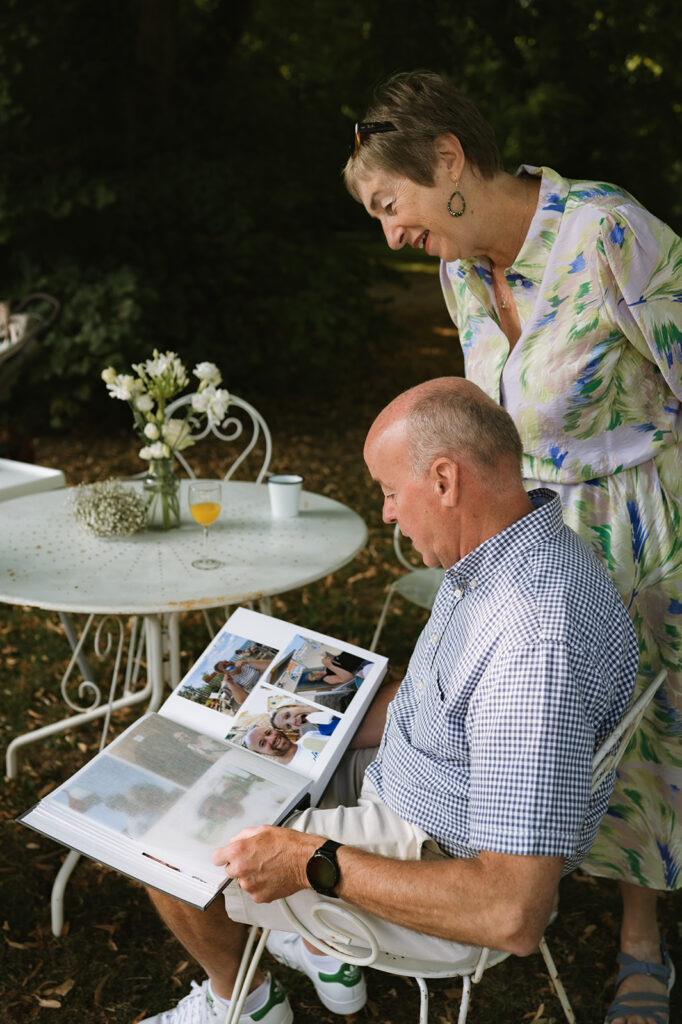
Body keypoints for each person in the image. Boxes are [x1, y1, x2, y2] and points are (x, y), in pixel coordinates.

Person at [137, 378, 638, 1024]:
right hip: (407, 781)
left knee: (162, 837)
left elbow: (511, 913)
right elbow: (453, 704)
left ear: (444, 481)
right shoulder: (513, 554)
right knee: (192, 761)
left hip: (433, 854)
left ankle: (246, 1001)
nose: (388, 514)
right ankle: (312, 941)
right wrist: (272, 714)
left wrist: (308, 863)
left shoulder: (532, 643)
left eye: (389, 492)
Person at [345, 70, 682, 1024]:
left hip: (646, 522)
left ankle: (639, 942)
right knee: (523, 708)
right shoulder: (459, 271)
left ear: (448, 161)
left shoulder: (606, 232)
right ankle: (507, 864)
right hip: (527, 524)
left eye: (390, 203)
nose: (392, 233)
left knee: (648, 730)